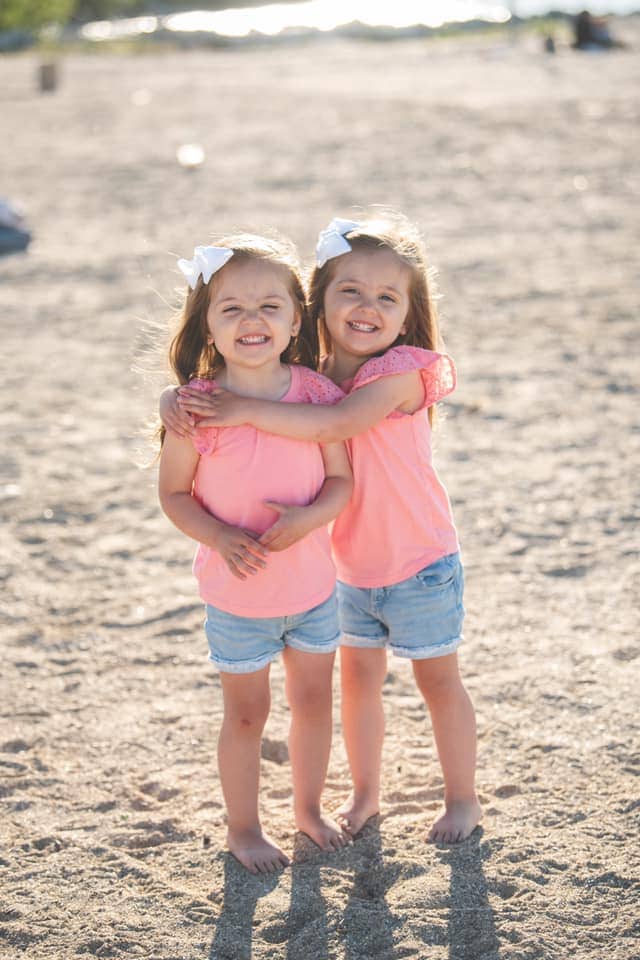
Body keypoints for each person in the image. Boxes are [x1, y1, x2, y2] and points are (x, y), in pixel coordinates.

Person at [162, 213, 482, 845]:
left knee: (437, 680)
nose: (366, 308)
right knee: (358, 686)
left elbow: (333, 428)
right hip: (345, 568)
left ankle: (463, 798)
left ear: (409, 310)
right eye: (350, 292)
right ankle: (365, 794)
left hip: (418, 560)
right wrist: (175, 399)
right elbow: (245, 377)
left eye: (387, 298)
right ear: (318, 300)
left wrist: (241, 409)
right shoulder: (309, 373)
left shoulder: (397, 371)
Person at [157, 234, 353, 873]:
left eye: (270, 306)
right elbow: (174, 494)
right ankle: (244, 828)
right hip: (239, 597)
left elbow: (341, 482)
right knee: (246, 715)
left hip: (315, 589)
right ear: (207, 325)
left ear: (297, 318)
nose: (252, 320)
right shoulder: (197, 408)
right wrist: (217, 535)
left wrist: (310, 520)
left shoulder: (318, 395)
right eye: (232, 308)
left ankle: (308, 810)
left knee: (315, 704)